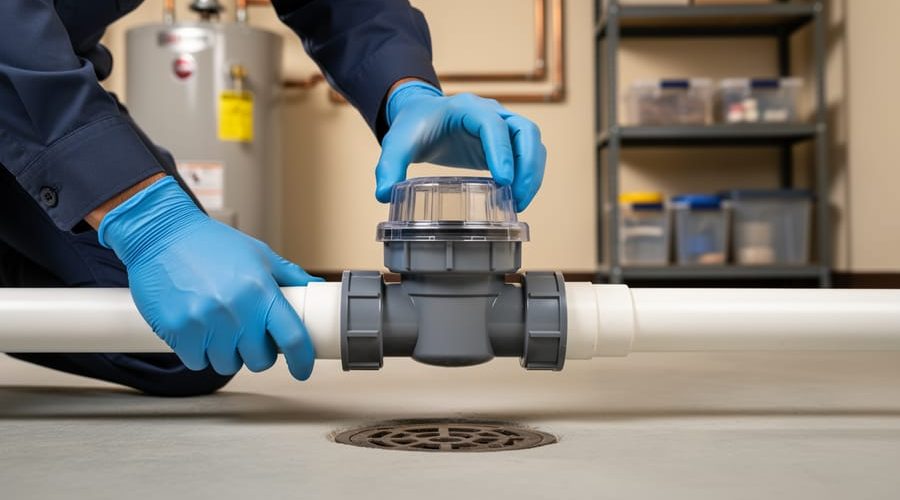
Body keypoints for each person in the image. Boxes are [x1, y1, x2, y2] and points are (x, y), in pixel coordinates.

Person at [0, 0, 547, 396]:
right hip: (26, 77)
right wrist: (145, 218)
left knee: (190, 346)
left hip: (23, 108)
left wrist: (405, 89)